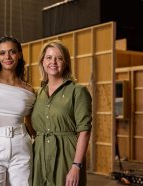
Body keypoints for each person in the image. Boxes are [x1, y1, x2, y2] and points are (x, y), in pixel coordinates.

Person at [31, 40, 92, 186]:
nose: (53, 62)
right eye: (49, 57)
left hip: (66, 156)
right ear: (42, 61)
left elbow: (84, 131)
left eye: (59, 58)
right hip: (39, 155)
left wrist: (76, 166)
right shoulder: (37, 94)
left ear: (65, 63)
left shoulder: (78, 91)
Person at [0, 36, 36, 186]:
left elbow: (31, 126)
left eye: (12, 52)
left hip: (22, 144)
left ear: (20, 54)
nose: (8, 57)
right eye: (2, 53)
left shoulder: (29, 90)